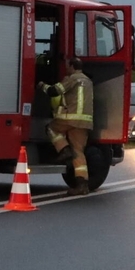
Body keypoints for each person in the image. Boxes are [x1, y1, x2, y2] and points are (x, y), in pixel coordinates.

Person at [38, 56, 94, 196]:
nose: (66, 68)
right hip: (85, 122)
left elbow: (53, 91)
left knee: (50, 128)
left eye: (68, 66)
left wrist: (40, 85)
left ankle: (64, 149)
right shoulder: (88, 81)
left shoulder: (72, 78)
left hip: (69, 118)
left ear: (73, 67)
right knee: (78, 152)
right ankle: (82, 185)